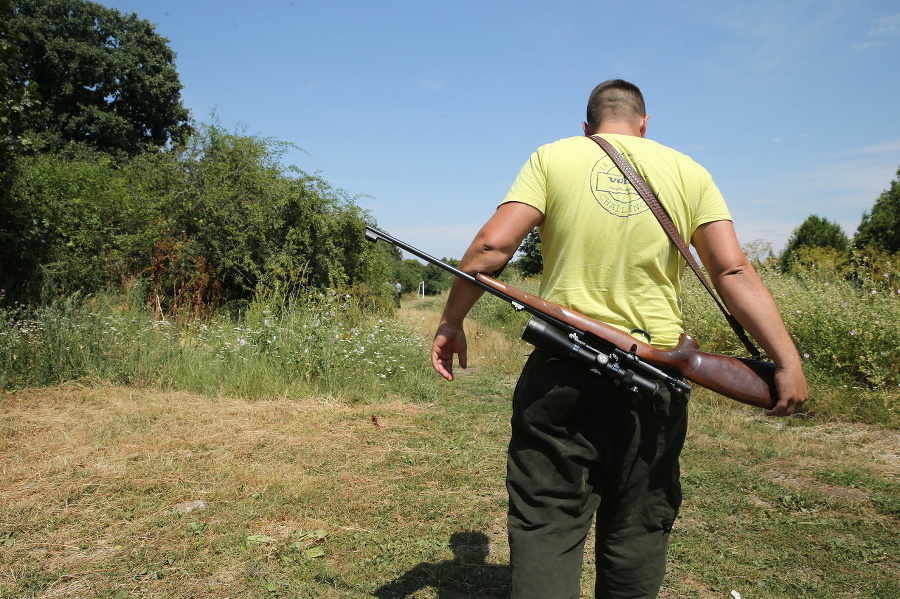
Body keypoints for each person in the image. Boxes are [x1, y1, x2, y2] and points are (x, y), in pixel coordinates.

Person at [430, 79, 808, 599]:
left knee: (547, 521)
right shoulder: (690, 171)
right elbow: (733, 270)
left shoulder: (553, 157)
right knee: (638, 525)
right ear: (644, 124)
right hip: (654, 381)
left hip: (563, 368)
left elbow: (491, 248)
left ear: (586, 127)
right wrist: (785, 359)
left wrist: (451, 322)